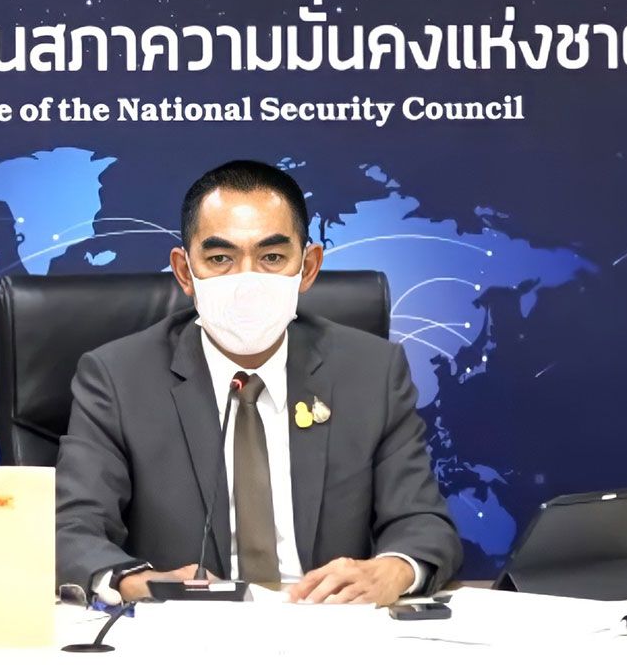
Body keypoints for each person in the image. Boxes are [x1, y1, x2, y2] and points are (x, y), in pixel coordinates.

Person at [56, 160, 462, 605]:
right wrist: (139, 583)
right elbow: (72, 529)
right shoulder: (117, 378)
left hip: (329, 623)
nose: (246, 281)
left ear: (308, 267)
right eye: (220, 259)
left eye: (272, 258)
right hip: (188, 626)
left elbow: (422, 523)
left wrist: (394, 570)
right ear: (184, 272)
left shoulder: (371, 371)